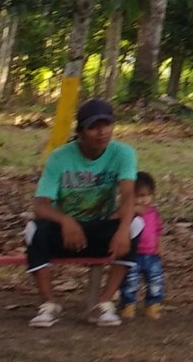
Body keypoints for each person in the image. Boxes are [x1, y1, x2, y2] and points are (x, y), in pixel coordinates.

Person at [25, 96, 136, 329]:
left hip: (99, 231)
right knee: (34, 229)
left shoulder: (123, 154)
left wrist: (123, 229)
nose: (102, 132)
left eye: (106, 125)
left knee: (136, 226)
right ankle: (48, 304)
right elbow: (40, 205)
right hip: (67, 236)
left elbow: (128, 195)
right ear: (81, 131)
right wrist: (65, 220)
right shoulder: (59, 157)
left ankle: (104, 304)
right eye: (93, 127)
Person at [118, 170, 165, 320]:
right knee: (130, 281)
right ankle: (128, 304)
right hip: (133, 254)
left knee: (155, 280)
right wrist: (131, 211)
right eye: (137, 196)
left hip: (151, 255)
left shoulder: (153, 213)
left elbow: (158, 231)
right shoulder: (127, 213)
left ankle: (153, 304)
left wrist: (159, 246)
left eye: (145, 196)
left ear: (152, 196)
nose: (141, 200)